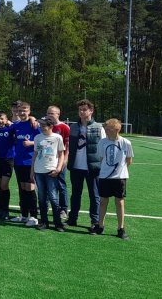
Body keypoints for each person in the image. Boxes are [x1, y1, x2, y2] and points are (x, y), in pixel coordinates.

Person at [67, 99, 106, 234]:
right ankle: (72, 218)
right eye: (80, 110)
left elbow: (103, 147)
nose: (82, 112)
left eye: (84, 109)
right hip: (76, 166)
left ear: (91, 111)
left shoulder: (99, 128)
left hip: (93, 167)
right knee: (75, 194)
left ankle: (94, 221)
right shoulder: (73, 127)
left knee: (94, 195)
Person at [96, 119, 134, 239]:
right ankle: (100, 226)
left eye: (108, 129)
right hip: (104, 177)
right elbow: (101, 158)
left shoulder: (126, 143)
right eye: (105, 129)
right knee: (103, 201)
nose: (106, 131)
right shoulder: (102, 142)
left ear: (117, 130)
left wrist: (120, 171)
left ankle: (120, 228)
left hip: (120, 178)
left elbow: (129, 160)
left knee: (119, 202)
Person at [30, 118, 66, 232]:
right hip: (39, 172)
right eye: (41, 125)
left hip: (51, 171)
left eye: (44, 125)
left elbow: (61, 154)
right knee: (41, 198)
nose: (41, 127)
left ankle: (57, 223)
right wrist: (32, 171)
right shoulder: (37, 137)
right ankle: (44, 222)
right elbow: (35, 155)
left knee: (53, 198)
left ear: (51, 126)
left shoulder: (57, 138)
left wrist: (59, 168)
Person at [9, 102, 41, 227]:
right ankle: (23, 215)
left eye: (24, 110)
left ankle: (33, 217)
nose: (22, 113)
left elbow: (43, 140)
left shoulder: (34, 124)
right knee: (22, 188)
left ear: (29, 111)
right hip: (18, 161)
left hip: (30, 162)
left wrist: (31, 143)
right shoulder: (16, 125)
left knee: (30, 188)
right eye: (20, 110)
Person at [47, 105, 71, 222]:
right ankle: (45, 207)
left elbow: (67, 146)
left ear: (58, 114)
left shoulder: (64, 127)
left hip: (60, 162)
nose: (49, 115)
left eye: (52, 113)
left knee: (61, 186)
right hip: (47, 162)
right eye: (48, 113)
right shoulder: (46, 126)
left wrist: (64, 161)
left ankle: (63, 209)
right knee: (47, 185)